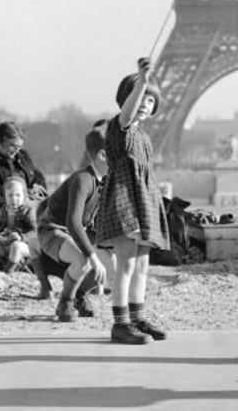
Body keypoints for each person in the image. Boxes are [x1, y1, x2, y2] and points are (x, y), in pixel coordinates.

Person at [95, 57, 170, 345]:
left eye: (151, 100)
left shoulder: (144, 137)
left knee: (141, 265)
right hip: (124, 200)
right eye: (139, 97)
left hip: (143, 202)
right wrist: (142, 80)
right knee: (125, 264)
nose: (144, 104)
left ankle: (137, 318)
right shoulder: (119, 127)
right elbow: (127, 115)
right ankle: (120, 323)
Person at [38, 122, 113, 322]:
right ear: (103, 155)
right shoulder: (83, 179)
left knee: (113, 265)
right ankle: (66, 301)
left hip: (75, 232)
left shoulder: (103, 180)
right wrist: (94, 258)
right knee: (83, 260)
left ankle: (79, 294)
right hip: (53, 230)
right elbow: (73, 223)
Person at [0, 122, 47, 230]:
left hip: (27, 215)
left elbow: (37, 177)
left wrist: (35, 189)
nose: (17, 150)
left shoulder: (23, 156)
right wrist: (17, 194)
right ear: (2, 140)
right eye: (13, 146)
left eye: (19, 147)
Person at [0, 176, 35, 272]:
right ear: (5, 196)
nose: (14, 199)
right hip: (5, 243)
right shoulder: (2, 211)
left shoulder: (28, 210)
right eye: (10, 195)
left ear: (24, 195)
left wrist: (21, 237)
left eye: (18, 195)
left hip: (24, 246)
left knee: (16, 245)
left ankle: (8, 273)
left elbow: (35, 231)